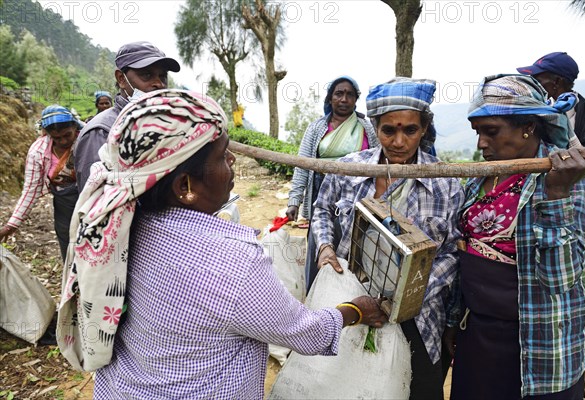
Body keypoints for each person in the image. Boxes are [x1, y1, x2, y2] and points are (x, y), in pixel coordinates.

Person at [56, 89, 388, 397]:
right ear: (185, 185)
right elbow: (304, 332)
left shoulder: (123, 221)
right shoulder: (235, 262)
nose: (232, 160)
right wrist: (355, 310)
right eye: (221, 155)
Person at [311, 77, 464, 400]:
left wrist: (406, 296)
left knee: (418, 389)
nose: (398, 141)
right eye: (388, 130)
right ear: (375, 128)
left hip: (419, 318)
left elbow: (452, 253)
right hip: (353, 302)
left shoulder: (446, 182)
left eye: (410, 130)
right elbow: (322, 209)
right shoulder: (348, 170)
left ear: (423, 130)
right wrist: (325, 247)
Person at [449, 74, 585, 400]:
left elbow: (561, 279)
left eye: (491, 132)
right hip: (480, 339)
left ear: (527, 126)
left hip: (541, 345)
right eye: (478, 133)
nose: (481, 144)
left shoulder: (568, 179)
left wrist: (557, 196)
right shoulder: (482, 179)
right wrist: (453, 323)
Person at [285, 75, 378, 290]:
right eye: (339, 94)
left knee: (355, 247)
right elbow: (303, 165)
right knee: (322, 241)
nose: (344, 99)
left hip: (357, 195)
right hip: (322, 194)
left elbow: (378, 160)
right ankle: (318, 295)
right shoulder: (316, 128)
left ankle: (351, 298)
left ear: (356, 99)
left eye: (350, 95)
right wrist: (294, 201)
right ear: (330, 98)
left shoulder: (366, 127)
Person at [517, 52, 585, 256]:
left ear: (556, 82)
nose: (532, 85)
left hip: (574, 221)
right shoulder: (536, 120)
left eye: (538, 80)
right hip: (533, 222)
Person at [73, 41, 180, 193]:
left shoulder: (168, 123)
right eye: (147, 75)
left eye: (162, 76)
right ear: (121, 79)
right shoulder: (102, 131)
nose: (159, 84)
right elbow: (95, 200)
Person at [0, 105, 82, 261]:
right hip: (64, 204)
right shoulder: (38, 152)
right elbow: (31, 190)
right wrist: (11, 225)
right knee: (68, 243)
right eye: (57, 138)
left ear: (74, 127)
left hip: (92, 200)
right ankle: (73, 281)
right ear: (48, 134)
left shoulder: (87, 140)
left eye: (67, 135)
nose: (63, 141)